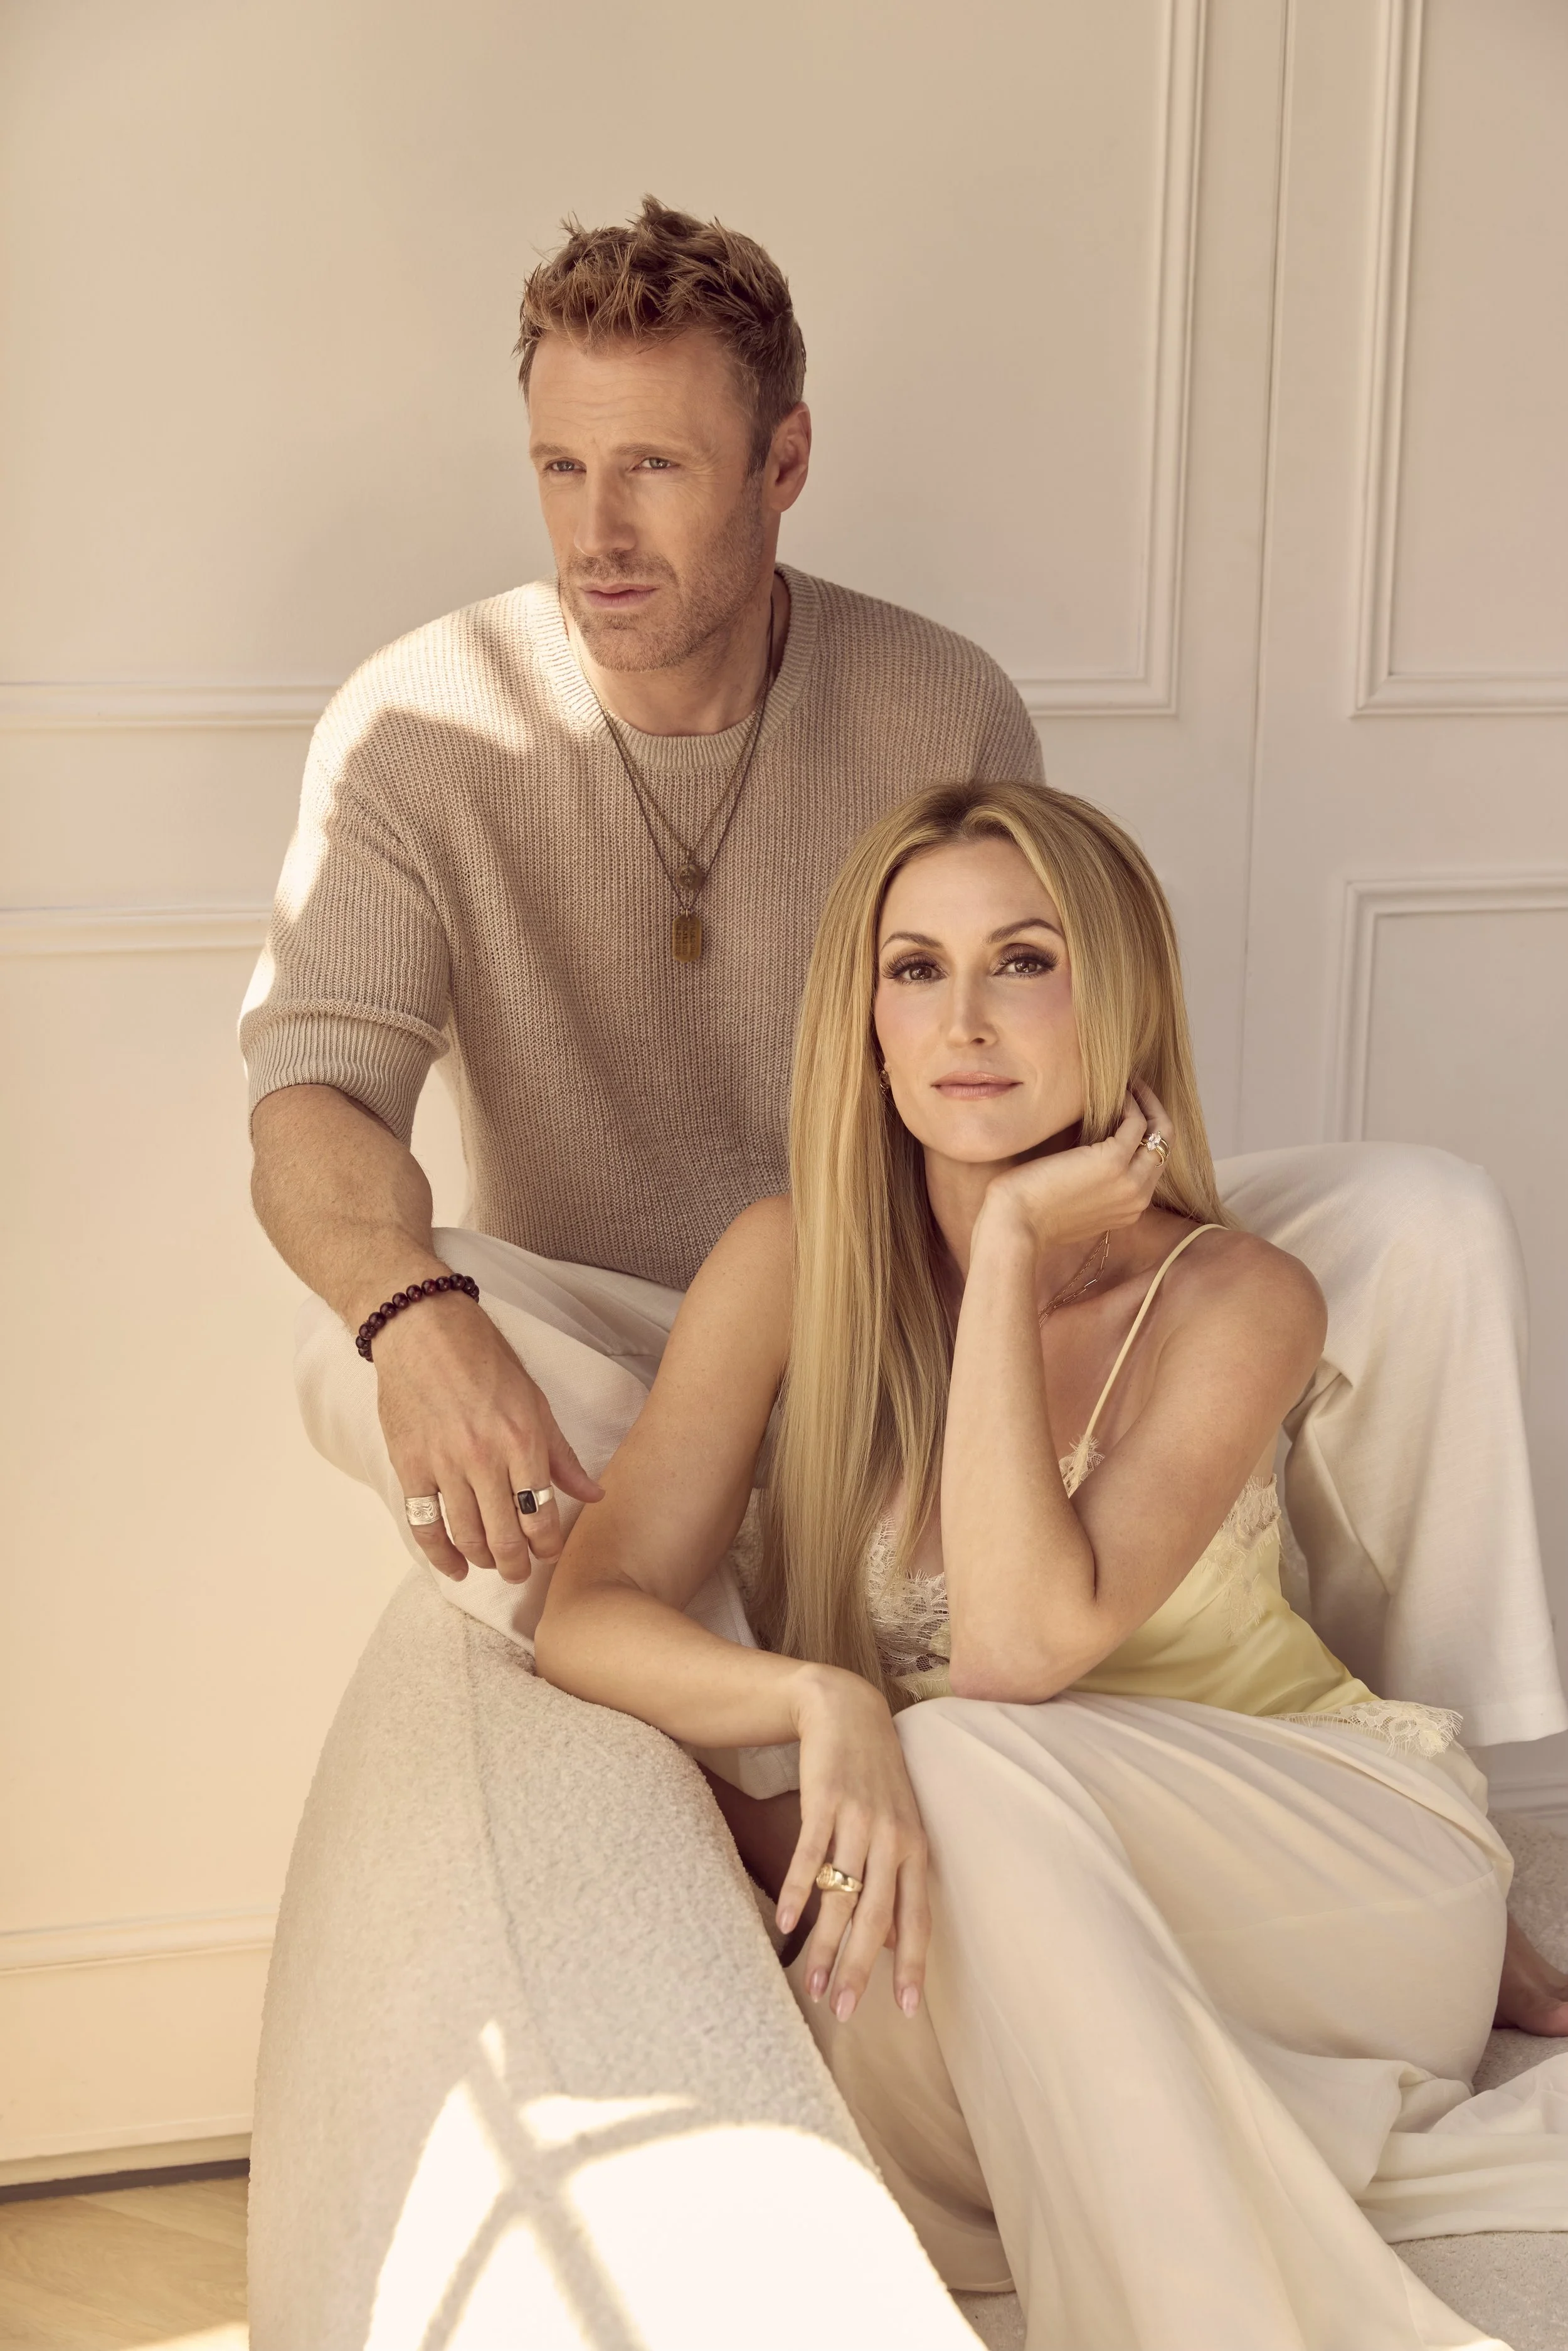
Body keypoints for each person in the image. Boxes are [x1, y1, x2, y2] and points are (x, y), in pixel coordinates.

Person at [241, 197, 1567, 2037]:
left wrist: (1080, 1246)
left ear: (783, 461)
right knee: (346, 1346)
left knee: (1414, 1217)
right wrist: (410, 1312)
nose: (593, 530)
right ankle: (760, 1767)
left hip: (936, 1254)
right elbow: (311, 1090)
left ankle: (1469, 1832)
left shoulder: (933, 692)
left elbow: (1023, 1011)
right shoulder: (417, 721)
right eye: (558, 464)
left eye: (654, 468)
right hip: (646, 1316)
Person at [534, 779, 1568, 2351]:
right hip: (1011, 1903)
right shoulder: (786, 1265)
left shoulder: (1233, 1295)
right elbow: (583, 1617)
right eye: (914, 968)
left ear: (1119, 1000)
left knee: (959, 1746)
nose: (963, 1018)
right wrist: (821, 1700)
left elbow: (1019, 1650)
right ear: (866, 1023)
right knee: (905, 1889)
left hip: (1336, 1872)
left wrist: (1007, 1250)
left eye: (1022, 961)